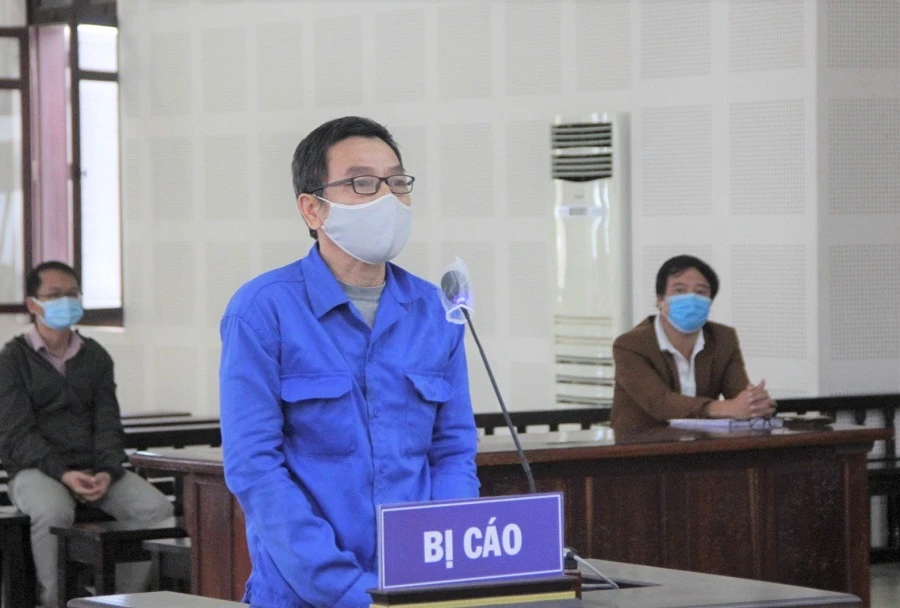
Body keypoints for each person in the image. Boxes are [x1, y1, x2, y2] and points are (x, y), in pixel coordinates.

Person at [219, 116, 480, 608]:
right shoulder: (263, 310)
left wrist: (444, 561)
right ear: (312, 208)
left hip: (419, 587)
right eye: (362, 184)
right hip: (304, 595)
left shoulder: (436, 310)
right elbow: (255, 466)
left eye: (397, 183)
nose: (387, 198)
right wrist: (344, 589)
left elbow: (452, 451)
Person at [0, 261, 174, 608]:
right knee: (53, 513)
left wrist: (107, 471)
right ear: (33, 304)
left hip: (95, 468)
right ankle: (56, 601)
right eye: (54, 295)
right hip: (36, 469)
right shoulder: (12, 360)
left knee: (157, 510)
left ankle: (117, 600)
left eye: (72, 293)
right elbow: (17, 433)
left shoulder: (95, 356)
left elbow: (108, 423)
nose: (65, 301)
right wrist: (64, 474)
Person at [611, 254, 776, 434]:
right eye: (679, 290)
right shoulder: (630, 345)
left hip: (702, 444)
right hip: (641, 444)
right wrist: (720, 408)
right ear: (660, 300)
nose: (691, 298)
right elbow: (659, 402)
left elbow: (739, 395)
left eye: (700, 292)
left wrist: (756, 403)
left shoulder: (723, 338)